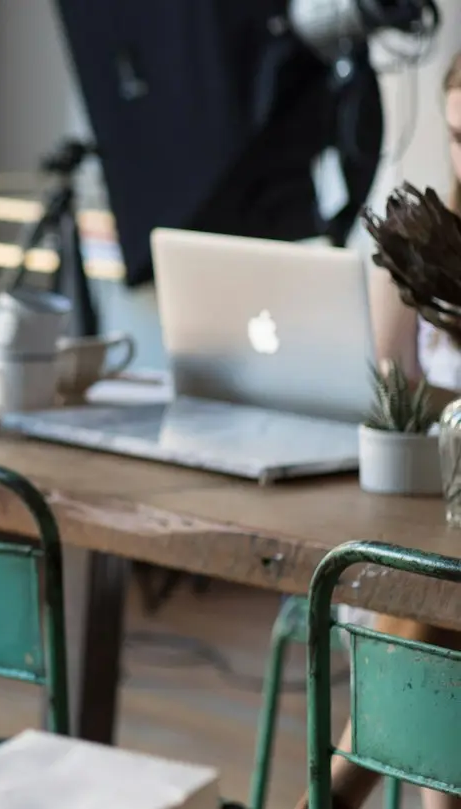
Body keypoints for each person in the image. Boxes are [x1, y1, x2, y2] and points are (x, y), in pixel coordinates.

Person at [312, 51, 461, 809]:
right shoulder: (423, 242)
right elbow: (393, 402)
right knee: (429, 598)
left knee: (436, 610)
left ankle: (338, 785)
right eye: (460, 133)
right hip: (418, 521)